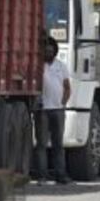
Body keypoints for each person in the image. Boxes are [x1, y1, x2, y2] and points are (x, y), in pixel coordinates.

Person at [35, 36, 72, 185]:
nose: (48, 52)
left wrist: (63, 103)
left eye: (51, 49)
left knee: (58, 145)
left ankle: (60, 175)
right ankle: (42, 176)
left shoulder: (61, 66)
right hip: (42, 110)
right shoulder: (38, 66)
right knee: (42, 144)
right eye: (46, 50)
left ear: (55, 51)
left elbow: (67, 87)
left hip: (58, 110)